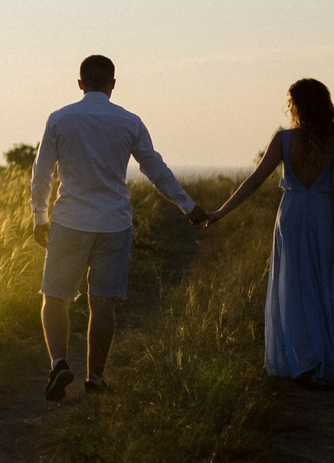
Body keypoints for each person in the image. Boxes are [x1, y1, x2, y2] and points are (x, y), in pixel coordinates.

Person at [30, 54, 210, 399]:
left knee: (54, 298)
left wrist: (40, 218)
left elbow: (42, 172)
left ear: (80, 83)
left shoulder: (59, 119)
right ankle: (95, 378)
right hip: (114, 223)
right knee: (103, 304)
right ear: (113, 84)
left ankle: (58, 363)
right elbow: (155, 169)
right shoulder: (129, 121)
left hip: (69, 221)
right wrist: (188, 206)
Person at [208, 78, 334, 387]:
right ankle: (316, 358)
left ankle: (302, 360)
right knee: (319, 285)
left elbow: (254, 180)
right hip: (321, 216)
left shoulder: (283, 139)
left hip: (291, 215)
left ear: (297, 105)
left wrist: (222, 211)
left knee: (292, 286)